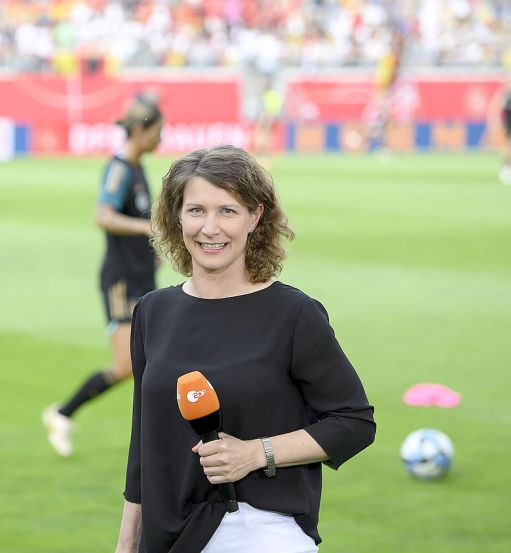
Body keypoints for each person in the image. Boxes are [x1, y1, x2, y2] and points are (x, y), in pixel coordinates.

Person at [114, 145, 375, 553]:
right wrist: (127, 542)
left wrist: (256, 453)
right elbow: (143, 443)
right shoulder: (152, 311)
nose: (210, 228)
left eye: (228, 211)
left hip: (257, 530)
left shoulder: (294, 314)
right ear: (176, 216)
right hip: (165, 538)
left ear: (255, 217)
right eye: (196, 210)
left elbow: (354, 421)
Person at [42, 93, 163, 457]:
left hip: (142, 276)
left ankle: (159, 441)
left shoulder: (138, 166)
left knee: (153, 362)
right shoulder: (120, 168)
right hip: (121, 281)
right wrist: (149, 229)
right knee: (127, 365)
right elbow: (104, 216)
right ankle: (62, 413)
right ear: (142, 130)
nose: (162, 138)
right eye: (159, 130)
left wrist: (153, 251)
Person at [499, 81, 511, 185]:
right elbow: (500, 107)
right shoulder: (505, 96)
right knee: (508, 145)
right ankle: (506, 163)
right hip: (508, 122)